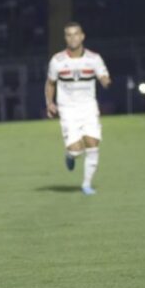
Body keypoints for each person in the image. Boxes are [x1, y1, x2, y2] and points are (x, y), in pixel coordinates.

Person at [45, 22, 111, 195]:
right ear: (65, 38)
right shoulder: (57, 60)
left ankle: (86, 184)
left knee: (93, 144)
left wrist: (105, 80)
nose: (73, 37)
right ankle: (70, 155)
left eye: (76, 34)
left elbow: (103, 74)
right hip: (68, 109)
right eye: (69, 34)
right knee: (76, 150)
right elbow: (50, 83)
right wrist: (50, 103)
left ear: (82, 36)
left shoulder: (94, 58)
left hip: (89, 107)